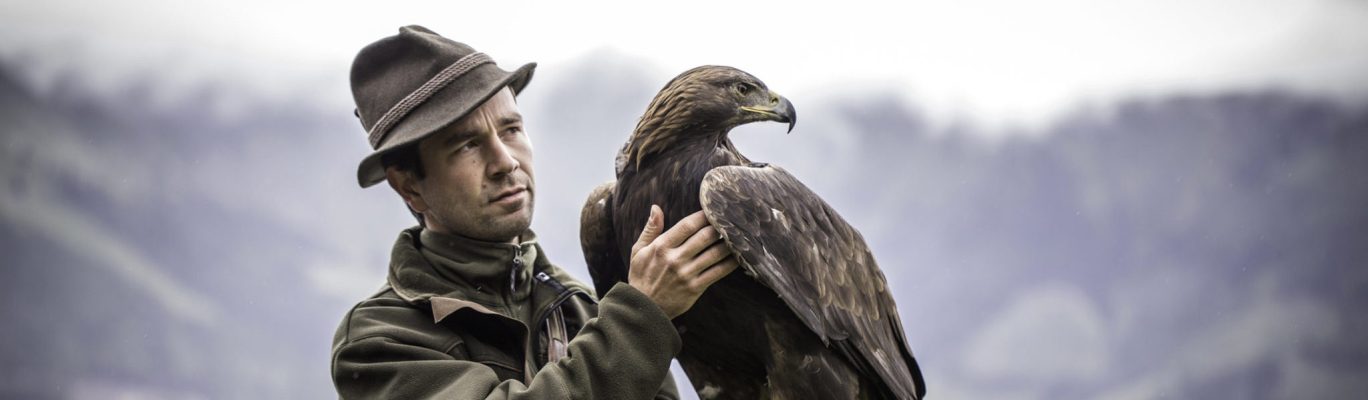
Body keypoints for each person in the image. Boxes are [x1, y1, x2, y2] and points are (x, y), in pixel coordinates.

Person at [330, 25, 739, 399]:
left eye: (511, 130)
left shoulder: (583, 307)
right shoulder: (378, 342)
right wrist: (642, 318)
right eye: (467, 145)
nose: (506, 161)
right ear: (409, 186)